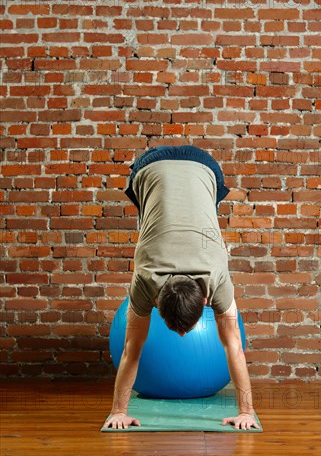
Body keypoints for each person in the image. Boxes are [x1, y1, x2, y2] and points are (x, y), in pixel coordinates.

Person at [103, 145, 260, 431]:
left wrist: (119, 411)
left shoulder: (149, 280)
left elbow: (131, 350)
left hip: (190, 166)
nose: (185, 334)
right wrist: (245, 413)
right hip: (178, 165)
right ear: (204, 303)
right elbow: (233, 347)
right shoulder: (210, 277)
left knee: (159, 209)